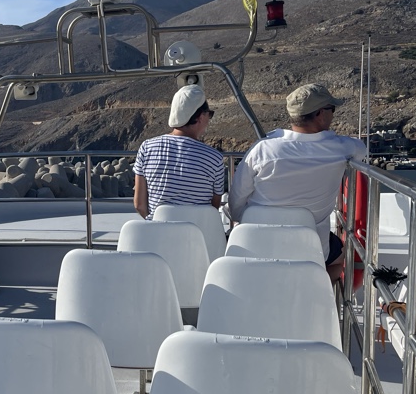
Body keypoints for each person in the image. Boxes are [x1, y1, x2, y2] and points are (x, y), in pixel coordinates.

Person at [227, 83, 367, 279]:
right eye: (331, 109)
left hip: (255, 246)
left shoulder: (263, 149)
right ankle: (311, 292)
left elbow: (236, 205)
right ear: (320, 114)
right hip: (310, 250)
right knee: (340, 259)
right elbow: (362, 150)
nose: (333, 115)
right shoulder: (341, 149)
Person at [133, 84, 226, 219]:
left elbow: (139, 205)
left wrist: (154, 222)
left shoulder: (147, 148)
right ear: (200, 117)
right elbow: (213, 208)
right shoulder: (214, 158)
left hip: (159, 235)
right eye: (209, 114)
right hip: (198, 235)